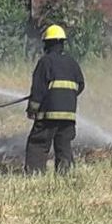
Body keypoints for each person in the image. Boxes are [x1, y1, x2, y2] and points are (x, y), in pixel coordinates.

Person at [24, 24, 85, 174]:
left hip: (48, 115)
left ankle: (35, 173)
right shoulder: (72, 63)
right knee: (64, 145)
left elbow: (38, 89)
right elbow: (81, 85)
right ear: (62, 43)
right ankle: (65, 173)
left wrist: (32, 109)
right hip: (68, 115)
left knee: (38, 143)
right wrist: (67, 97)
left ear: (47, 43)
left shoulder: (45, 62)